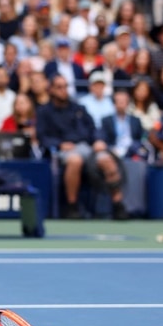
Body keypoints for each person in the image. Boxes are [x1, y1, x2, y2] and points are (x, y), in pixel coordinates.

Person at [36, 74, 129, 221]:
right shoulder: (44, 111)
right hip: (63, 151)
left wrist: (98, 140)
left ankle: (118, 205)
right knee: (75, 161)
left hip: (87, 147)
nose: (63, 90)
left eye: (65, 86)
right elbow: (42, 137)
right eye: (59, 87)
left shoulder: (79, 108)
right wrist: (59, 144)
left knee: (106, 160)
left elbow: (93, 128)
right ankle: (72, 207)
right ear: (51, 90)